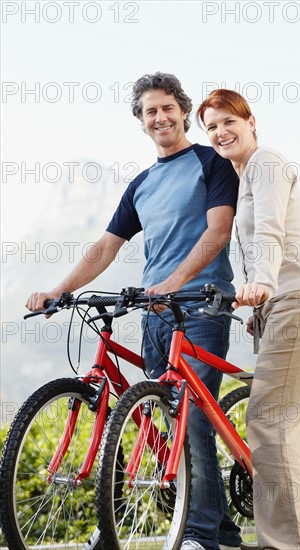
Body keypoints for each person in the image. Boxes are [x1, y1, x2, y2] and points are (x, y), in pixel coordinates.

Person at [26, 73, 242, 550]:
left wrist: (174, 282)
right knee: (160, 415)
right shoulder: (142, 184)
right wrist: (57, 290)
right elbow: (105, 247)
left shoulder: (212, 162)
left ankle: (201, 535)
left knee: (195, 418)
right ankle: (217, 526)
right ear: (141, 121)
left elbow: (218, 231)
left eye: (167, 108)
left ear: (184, 111)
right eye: (150, 111)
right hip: (154, 313)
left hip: (200, 306)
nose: (160, 117)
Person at [197, 89, 300, 550]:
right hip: (296, 302)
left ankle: (286, 544)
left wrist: (261, 282)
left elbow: (270, 232)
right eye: (211, 127)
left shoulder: (266, 162)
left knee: (269, 419)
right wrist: (260, 302)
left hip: (298, 300)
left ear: (251, 121)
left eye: (228, 122)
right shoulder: (246, 176)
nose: (221, 132)